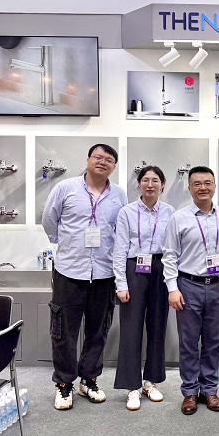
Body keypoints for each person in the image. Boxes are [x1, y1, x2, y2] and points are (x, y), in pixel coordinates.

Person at [42, 144, 127, 410]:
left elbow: (121, 230)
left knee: (98, 331)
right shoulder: (65, 188)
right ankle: (64, 383)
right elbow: (49, 220)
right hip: (70, 270)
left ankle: (89, 379)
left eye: (109, 159)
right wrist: (66, 244)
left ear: (114, 166)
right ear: (88, 160)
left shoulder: (119, 195)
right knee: (64, 331)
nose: (103, 162)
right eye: (98, 157)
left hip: (104, 272)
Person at [162, 166, 219, 416]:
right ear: (190, 188)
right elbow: (170, 255)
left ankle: (209, 389)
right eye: (197, 184)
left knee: (213, 342)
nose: (203, 188)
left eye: (207, 183)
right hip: (188, 285)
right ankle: (190, 391)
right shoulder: (179, 218)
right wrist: (172, 288)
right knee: (189, 342)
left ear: (214, 186)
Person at [112, 166, 175, 411]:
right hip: (134, 268)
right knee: (131, 329)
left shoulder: (170, 212)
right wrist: (121, 283)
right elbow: (119, 249)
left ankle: (151, 381)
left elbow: (172, 248)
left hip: (160, 268)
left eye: (155, 180)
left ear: (162, 185)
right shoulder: (126, 212)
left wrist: (172, 281)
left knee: (158, 326)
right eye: (145, 180)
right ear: (139, 184)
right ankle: (132, 387)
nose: (150, 184)